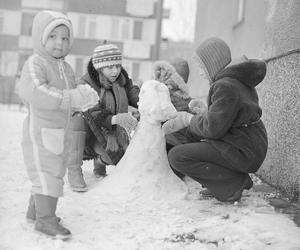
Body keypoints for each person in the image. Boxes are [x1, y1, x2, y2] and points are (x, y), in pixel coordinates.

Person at [18, 10, 99, 239]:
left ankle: (36, 212)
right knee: (47, 173)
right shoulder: (36, 63)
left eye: (65, 38)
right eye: (53, 36)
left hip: (59, 132)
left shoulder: (66, 68)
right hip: (39, 132)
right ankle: (45, 220)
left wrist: (83, 99)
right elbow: (34, 92)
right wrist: (69, 97)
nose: (59, 43)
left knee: (54, 171)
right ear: (40, 38)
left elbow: (72, 97)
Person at [162, 37, 268, 202]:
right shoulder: (234, 81)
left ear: (212, 64)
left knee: (177, 156)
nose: (201, 72)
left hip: (243, 148)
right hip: (248, 143)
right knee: (192, 135)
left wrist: (188, 119)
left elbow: (213, 129)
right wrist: (206, 111)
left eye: (201, 66)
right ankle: (223, 182)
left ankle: (233, 184)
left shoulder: (225, 85)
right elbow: (231, 115)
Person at [77, 43, 140, 182]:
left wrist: (144, 102)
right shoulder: (86, 83)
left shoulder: (121, 79)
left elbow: (132, 93)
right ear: (99, 67)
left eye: (117, 66)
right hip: (92, 131)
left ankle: (102, 159)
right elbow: (93, 113)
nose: (115, 71)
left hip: (115, 130)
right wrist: (116, 119)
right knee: (111, 158)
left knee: (124, 159)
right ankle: (99, 160)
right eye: (110, 67)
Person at [154, 58, 207, 178]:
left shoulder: (180, 100)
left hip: (173, 147)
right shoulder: (167, 95)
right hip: (168, 146)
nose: (165, 78)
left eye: (169, 76)